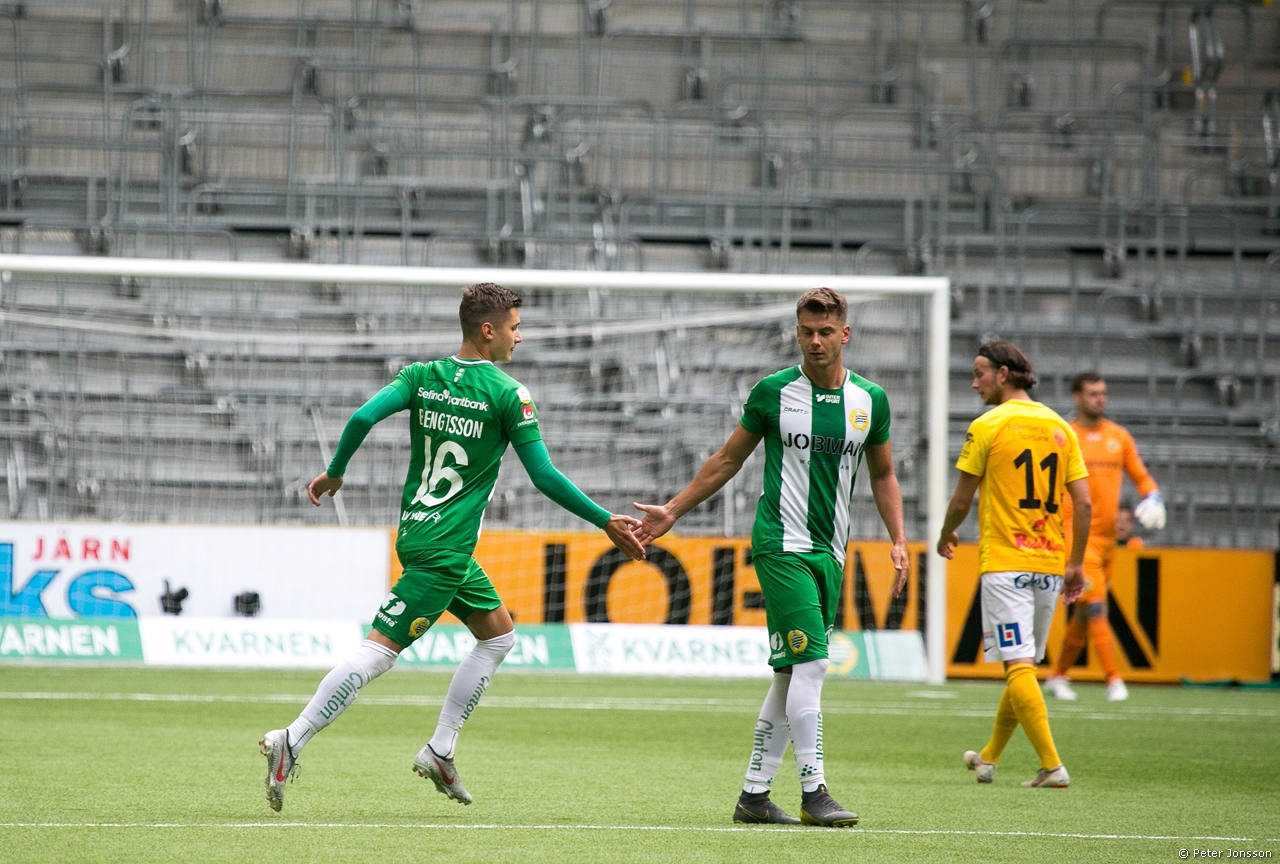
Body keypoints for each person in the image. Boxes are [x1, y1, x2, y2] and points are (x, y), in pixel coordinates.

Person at [259, 282, 645, 812]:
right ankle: (293, 738)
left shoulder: (421, 376)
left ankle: (441, 750)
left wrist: (335, 472)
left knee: (499, 636)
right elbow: (544, 476)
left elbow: (361, 418)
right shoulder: (509, 394)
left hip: (422, 535)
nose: (519, 337)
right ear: (488, 330)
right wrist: (604, 520)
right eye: (514, 328)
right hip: (445, 550)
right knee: (377, 653)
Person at [634, 287, 908, 828]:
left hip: (831, 551)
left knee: (789, 674)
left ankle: (754, 797)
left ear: (845, 334)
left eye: (825, 332)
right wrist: (673, 510)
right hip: (780, 544)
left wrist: (898, 539)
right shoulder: (774, 392)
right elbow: (726, 459)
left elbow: (883, 474)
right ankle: (814, 791)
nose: (815, 341)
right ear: (797, 332)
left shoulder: (870, 401)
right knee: (814, 663)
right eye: (806, 331)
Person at [937, 340, 1090, 789]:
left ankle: (1052, 766)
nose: (974, 383)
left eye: (979, 373)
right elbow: (1083, 503)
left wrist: (946, 533)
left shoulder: (988, 424)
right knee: (1021, 665)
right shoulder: (1061, 427)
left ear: (1003, 374)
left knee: (1018, 665)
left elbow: (962, 499)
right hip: (1049, 564)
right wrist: (1076, 563)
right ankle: (988, 758)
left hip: (1006, 564)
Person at [1044, 372, 1163, 702]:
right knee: (1096, 605)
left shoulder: (1118, 437)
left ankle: (1058, 675)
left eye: (1103, 393)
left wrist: (1153, 496)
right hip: (1078, 537)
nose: (1100, 399)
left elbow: (1141, 475)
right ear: (1076, 397)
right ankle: (1114, 679)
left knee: (1083, 613)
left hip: (1108, 540)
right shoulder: (1064, 436)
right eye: (1093, 393)